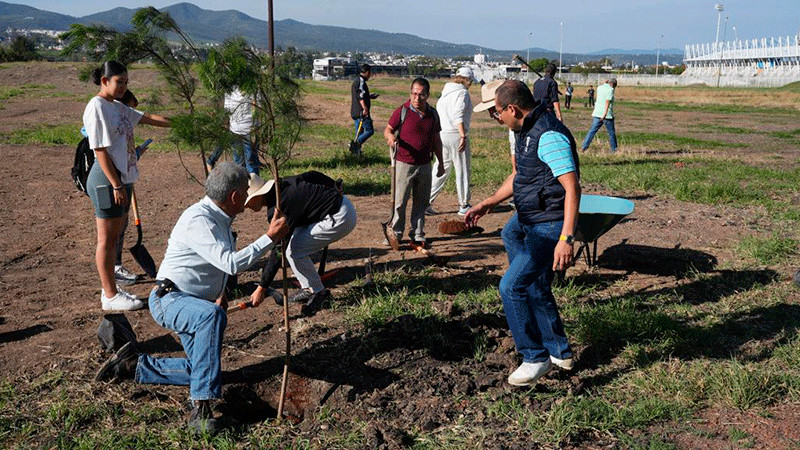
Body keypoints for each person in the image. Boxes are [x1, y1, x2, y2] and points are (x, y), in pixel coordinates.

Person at [95, 162, 289, 433]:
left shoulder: (220, 219)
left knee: (203, 369)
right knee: (211, 321)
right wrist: (269, 238)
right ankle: (201, 408)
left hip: (193, 302)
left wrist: (222, 294)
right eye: (245, 191)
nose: (248, 197)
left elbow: (220, 268)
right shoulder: (200, 220)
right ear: (234, 196)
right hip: (170, 300)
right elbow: (230, 263)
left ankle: (131, 365)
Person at [465, 80, 581, 387]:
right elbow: (521, 174)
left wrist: (566, 238)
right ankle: (559, 350)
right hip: (529, 217)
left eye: (497, 113)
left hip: (549, 223)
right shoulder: (526, 131)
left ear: (512, 108)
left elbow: (572, 188)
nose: (496, 118)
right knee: (511, 235)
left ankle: (535, 357)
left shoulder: (549, 136)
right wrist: (488, 203)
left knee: (511, 287)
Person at [83, 61, 170, 311]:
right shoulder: (97, 106)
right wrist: (116, 185)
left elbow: (149, 118)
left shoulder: (119, 107)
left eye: (126, 82)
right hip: (107, 179)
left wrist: (184, 123)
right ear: (104, 81)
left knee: (115, 237)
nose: (123, 87)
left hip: (122, 179)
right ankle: (109, 297)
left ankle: (110, 288)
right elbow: (99, 150)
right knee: (106, 240)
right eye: (119, 82)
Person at [245, 171, 357, 315]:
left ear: (259, 194)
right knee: (292, 248)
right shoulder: (282, 184)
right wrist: (333, 184)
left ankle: (319, 294)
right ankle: (309, 289)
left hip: (339, 216)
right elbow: (312, 175)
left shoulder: (279, 209)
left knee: (294, 251)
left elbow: (278, 251)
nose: (246, 206)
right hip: (331, 209)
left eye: (249, 201)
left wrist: (262, 287)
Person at [383, 77, 445, 247]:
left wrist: (440, 162)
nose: (417, 98)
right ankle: (394, 233)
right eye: (414, 94)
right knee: (399, 201)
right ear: (410, 93)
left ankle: (417, 234)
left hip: (425, 164)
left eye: (421, 95)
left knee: (421, 202)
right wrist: (390, 138)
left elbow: (436, 139)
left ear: (428, 95)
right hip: (404, 163)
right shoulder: (402, 111)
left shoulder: (433, 115)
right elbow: (388, 129)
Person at [429, 66, 475, 217]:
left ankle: (426, 202)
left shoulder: (445, 94)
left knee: (441, 168)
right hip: (456, 134)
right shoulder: (462, 93)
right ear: (467, 80)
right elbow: (458, 115)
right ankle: (464, 204)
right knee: (462, 169)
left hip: (442, 134)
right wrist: (463, 136)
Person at [205, 87, 261, 178]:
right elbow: (228, 108)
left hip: (250, 130)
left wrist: (255, 127)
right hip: (235, 130)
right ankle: (242, 187)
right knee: (239, 163)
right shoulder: (230, 87)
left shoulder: (251, 85)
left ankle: (255, 188)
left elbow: (258, 106)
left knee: (251, 162)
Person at [580, 78, 618, 153]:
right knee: (611, 133)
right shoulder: (611, 90)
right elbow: (607, 101)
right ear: (613, 85)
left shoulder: (599, 88)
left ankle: (583, 147)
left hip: (597, 113)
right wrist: (604, 114)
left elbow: (603, 83)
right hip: (607, 115)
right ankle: (614, 149)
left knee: (592, 131)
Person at [349, 64, 379, 156]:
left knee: (359, 132)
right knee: (369, 130)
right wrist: (365, 108)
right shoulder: (361, 81)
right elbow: (360, 96)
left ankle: (356, 153)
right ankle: (354, 144)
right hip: (361, 112)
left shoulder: (356, 81)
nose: (370, 75)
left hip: (355, 112)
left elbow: (361, 94)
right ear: (367, 72)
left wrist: (370, 97)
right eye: (370, 73)